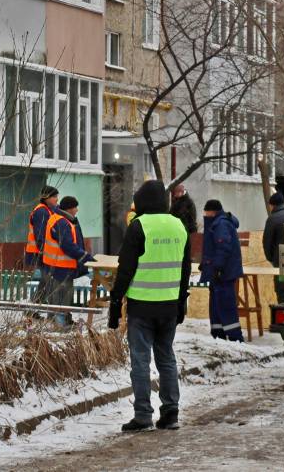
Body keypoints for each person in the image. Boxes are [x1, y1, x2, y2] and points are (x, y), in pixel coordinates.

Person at [108, 180, 191, 432]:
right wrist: (181, 303)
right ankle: (171, 413)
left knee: (141, 361)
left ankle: (143, 414)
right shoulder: (179, 226)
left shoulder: (138, 226)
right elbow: (185, 268)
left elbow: (125, 270)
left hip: (142, 307)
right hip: (169, 307)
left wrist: (114, 303)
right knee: (166, 358)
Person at [40, 196, 93, 323]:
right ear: (69, 209)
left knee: (61, 296)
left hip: (59, 266)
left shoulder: (63, 219)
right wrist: (85, 257)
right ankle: (60, 324)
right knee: (61, 298)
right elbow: (67, 245)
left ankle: (62, 320)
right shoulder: (61, 222)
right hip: (60, 267)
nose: (77, 210)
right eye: (75, 207)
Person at [200, 199, 244, 342]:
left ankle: (235, 337)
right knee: (217, 304)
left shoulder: (221, 224)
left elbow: (223, 247)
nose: (205, 214)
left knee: (225, 304)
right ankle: (218, 334)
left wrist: (217, 268)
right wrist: (205, 264)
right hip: (221, 271)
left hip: (223, 272)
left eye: (206, 211)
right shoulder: (220, 222)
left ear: (212, 211)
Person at [24, 187, 59, 270]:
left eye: (57, 196)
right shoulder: (41, 212)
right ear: (46, 198)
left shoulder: (47, 210)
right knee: (44, 281)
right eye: (54, 197)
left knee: (46, 281)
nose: (57, 199)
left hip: (40, 254)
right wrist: (45, 253)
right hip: (38, 255)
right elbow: (40, 235)